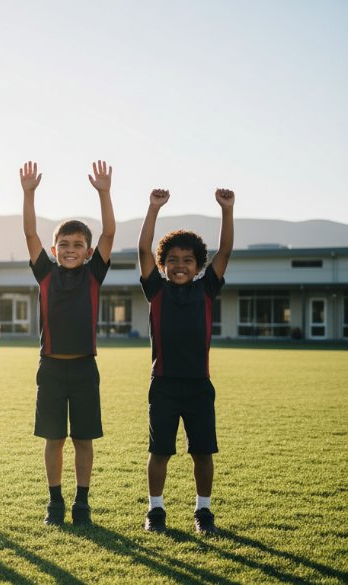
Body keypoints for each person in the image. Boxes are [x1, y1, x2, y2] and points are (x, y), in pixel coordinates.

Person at [20, 160, 116, 526]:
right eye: (64, 244)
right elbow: (30, 234)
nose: (71, 249)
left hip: (84, 368)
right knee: (54, 439)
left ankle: (83, 502)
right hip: (51, 368)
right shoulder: (45, 273)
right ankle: (55, 502)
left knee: (83, 440)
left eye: (78, 244)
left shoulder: (93, 275)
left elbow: (108, 233)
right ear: (55, 249)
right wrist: (29, 194)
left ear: (88, 252)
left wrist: (104, 194)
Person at [138, 187, 234, 535]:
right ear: (163, 265)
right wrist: (153, 209)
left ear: (198, 266)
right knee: (159, 451)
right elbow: (143, 249)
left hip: (198, 385)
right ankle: (156, 511)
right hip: (163, 384)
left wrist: (226, 210)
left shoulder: (206, 289)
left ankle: (203, 512)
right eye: (173, 260)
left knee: (202, 452)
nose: (180, 265)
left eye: (187, 260)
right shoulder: (157, 290)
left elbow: (225, 250)